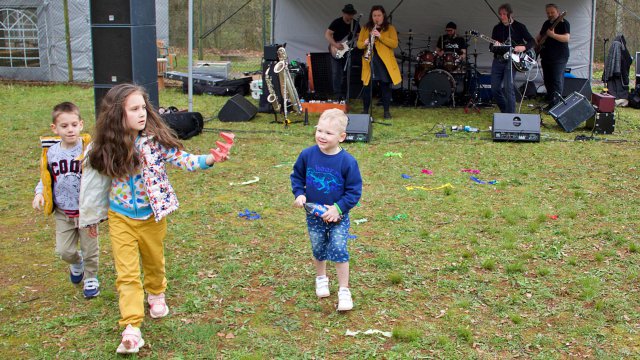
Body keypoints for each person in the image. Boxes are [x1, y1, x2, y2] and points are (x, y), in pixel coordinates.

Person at [79, 84, 230, 354]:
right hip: (120, 217)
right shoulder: (106, 146)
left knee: (153, 260)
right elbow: (92, 185)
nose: (142, 114)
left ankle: (156, 292)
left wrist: (210, 158)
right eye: (134, 109)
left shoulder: (154, 142)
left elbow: (183, 159)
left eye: (144, 108)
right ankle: (132, 327)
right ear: (117, 114)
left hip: (152, 217)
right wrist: (90, 219)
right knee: (126, 274)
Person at [290, 109, 362, 311]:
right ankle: (321, 277)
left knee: (339, 249)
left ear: (342, 137)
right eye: (319, 130)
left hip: (338, 217)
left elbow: (354, 191)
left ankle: (344, 289)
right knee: (318, 248)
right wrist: (299, 194)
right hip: (313, 215)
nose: (322, 136)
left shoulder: (347, 162)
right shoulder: (307, 155)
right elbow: (297, 177)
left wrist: (338, 208)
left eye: (329, 133)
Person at [32, 102, 101, 299]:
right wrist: (39, 193)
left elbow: (101, 174)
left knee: (90, 249)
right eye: (64, 126)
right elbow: (46, 177)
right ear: (55, 128)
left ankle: (91, 277)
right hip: (63, 212)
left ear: (81, 124)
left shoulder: (90, 150)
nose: (70, 130)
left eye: (73, 125)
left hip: (87, 211)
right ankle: (76, 262)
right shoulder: (52, 153)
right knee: (64, 250)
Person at [357, 5, 401, 119]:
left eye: (379, 15)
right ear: (371, 16)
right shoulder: (365, 28)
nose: (377, 18)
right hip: (370, 60)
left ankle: (386, 111)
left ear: (383, 16)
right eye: (374, 15)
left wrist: (380, 36)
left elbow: (394, 44)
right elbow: (359, 44)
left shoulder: (390, 28)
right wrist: (365, 42)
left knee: (385, 86)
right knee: (367, 87)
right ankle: (365, 110)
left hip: (384, 62)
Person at [489, 3, 535, 113]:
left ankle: (511, 115)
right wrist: (496, 46)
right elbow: (491, 47)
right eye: (500, 14)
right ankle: (505, 110)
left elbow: (532, 41)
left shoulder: (519, 27)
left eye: (504, 14)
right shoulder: (497, 28)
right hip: (498, 60)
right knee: (495, 88)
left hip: (511, 61)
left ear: (510, 14)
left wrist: (523, 47)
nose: (502, 16)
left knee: (508, 87)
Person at [535, 3, 570, 107]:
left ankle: (556, 106)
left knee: (556, 81)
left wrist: (553, 35)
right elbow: (540, 35)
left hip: (559, 57)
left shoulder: (564, 23)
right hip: (546, 56)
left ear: (558, 12)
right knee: (548, 80)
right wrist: (537, 41)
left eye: (552, 12)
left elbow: (566, 38)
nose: (550, 14)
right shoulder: (546, 23)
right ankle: (551, 102)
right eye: (548, 13)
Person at [325, 4, 361, 100]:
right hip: (336, 49)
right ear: (343, 13)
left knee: (347, 72)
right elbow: (327, 34)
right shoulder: (337, 22)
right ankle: (337, 94)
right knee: (336, 72)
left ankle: (345, 94)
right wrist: (335, 44)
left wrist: (359, 40)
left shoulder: (355, 24)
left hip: (348, 51)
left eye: (351, 14)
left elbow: (359, 36)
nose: (349, 16)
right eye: (348, 14)